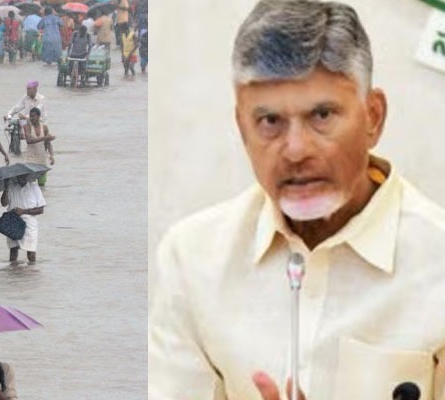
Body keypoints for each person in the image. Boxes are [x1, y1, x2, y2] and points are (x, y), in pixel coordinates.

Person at [148, 0, 445, 399]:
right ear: (242, 127)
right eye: (270, 121)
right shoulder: (192, 259)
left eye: (322, 116)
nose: (295, 150)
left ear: (373, 117)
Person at [0, 173, 46, 262]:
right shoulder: (11, 187)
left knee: (31, 251)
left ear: (28, 176)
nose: (22, 177)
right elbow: (3, 203)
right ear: (16, 176)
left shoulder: (34, 187)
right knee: (13, 250)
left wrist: (23, 211)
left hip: (29, 222)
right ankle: (13, 271)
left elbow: (41, 210)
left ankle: (31, 270)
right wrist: (5, 188)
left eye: (24, 175)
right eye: (20, 175)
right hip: (12, 220)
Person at [24, 107, 55, 186]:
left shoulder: (44, 128)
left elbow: (48, 144)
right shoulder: (27, 127)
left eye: (33, 116)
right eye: (30, 116)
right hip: (30, 160)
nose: (31, 118)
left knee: (42, 185)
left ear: (38, 116)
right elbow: (29, 141)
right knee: (30, 185)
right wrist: (45, 137)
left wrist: (51, 155)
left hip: (42, 161)